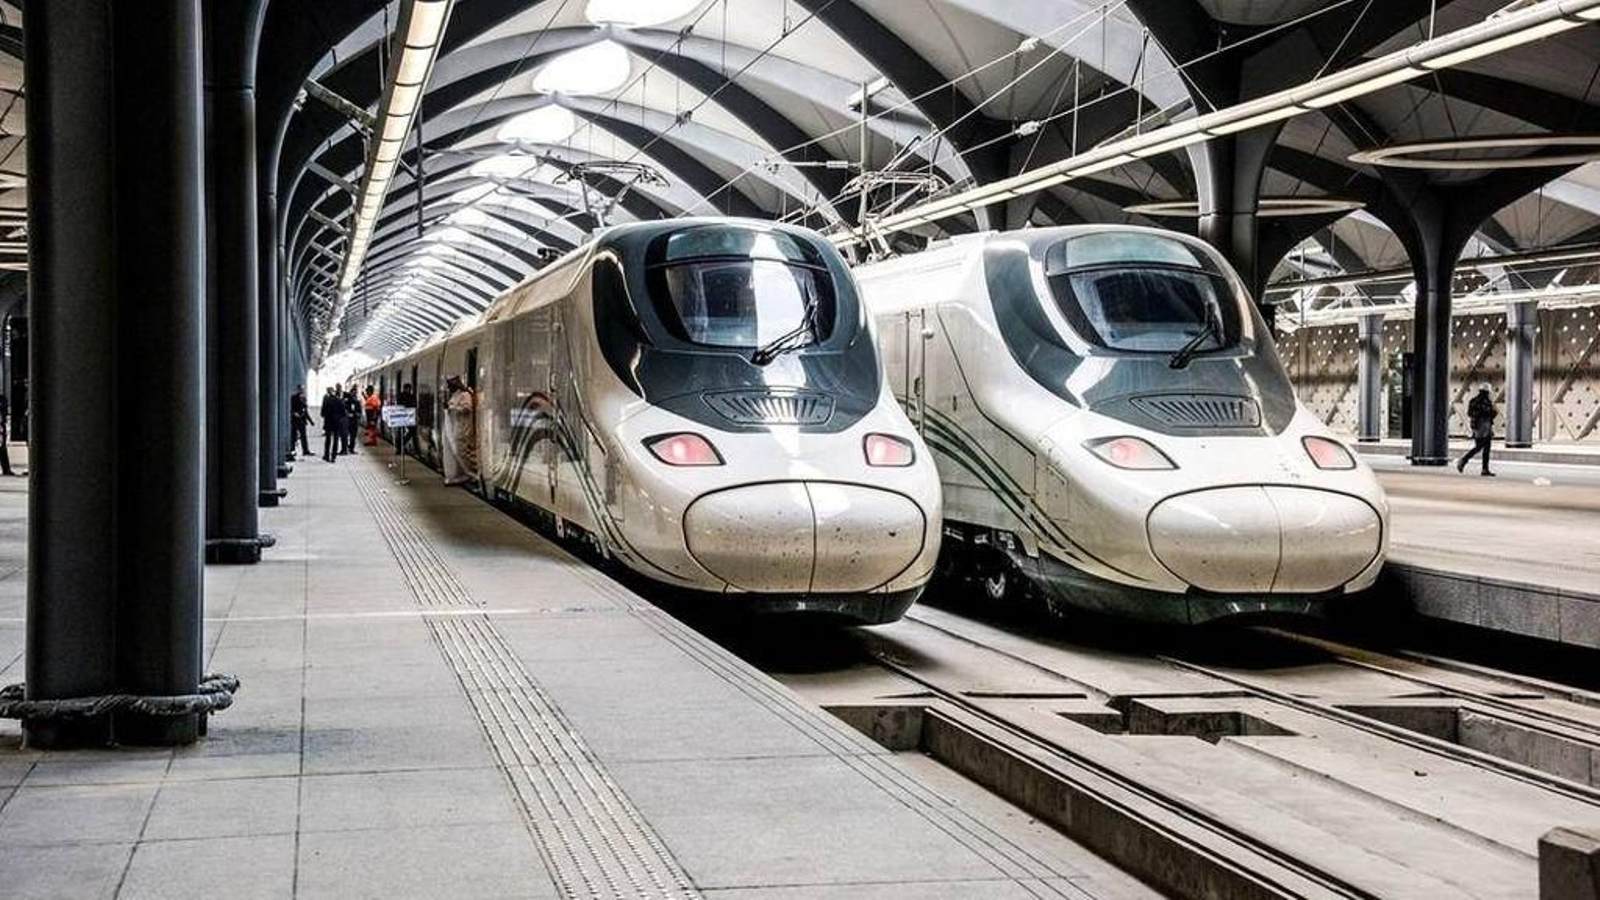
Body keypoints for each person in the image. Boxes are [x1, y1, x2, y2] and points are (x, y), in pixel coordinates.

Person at [441, 374, 478, 487]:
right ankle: (459, 475)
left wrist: (452, 408)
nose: (449, 388)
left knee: (463, 453)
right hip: (455, 428)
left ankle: (473, 475)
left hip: (464, 428)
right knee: (457, 452)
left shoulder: (465, 395)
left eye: (450, 385)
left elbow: (467, 408)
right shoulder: (455, 396)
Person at [1457, 383, 1497, 476]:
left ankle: (1484, 469)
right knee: (1482, 447)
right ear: (1487, 392)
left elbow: (1469, 413)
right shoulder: (1486, 402)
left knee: (1483, 447)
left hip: (1477, 427)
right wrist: (1488, 413)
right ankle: (1464, 460)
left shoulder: (1473, 400)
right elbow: (1492, 413)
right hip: (1484, 427)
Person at [320, 386, 346, 463]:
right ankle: (333, 456)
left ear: (328, 392)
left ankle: (326, 455)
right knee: (336, 439)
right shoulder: (339, 400)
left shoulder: (326, 401)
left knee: (328, 439)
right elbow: (343, 413)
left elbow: (322, 413)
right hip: (337, 423)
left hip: (328, 423)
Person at [290, 385, 312, 458]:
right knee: (293, 435)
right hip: (295, 420)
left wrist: (310, 421)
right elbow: (291, 408)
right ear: (298, 389)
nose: (302, 390)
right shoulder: (294, 398)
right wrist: (294, 413)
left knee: (303, 435)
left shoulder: (304, 398)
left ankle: (305, 450)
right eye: (301, 389)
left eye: (303, 389)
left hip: (302, 419)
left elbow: (305, 410)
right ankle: (292, 449)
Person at [395, 382, 417, 457]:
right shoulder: (410, 396)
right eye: (409, 389)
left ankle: (399, 447)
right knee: (412, 431)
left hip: (400, 417)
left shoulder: (399, 396)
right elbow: (414, 405)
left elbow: (398, 404)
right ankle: (401, 444)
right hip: (408, 417)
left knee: (401, 432)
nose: (410, 390)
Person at [0, 390, 17, 476]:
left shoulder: (2, 400)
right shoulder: (2, 400)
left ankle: (6, 468)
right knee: (2, 448)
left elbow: (4, 414)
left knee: (2, 448)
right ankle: (6, 469)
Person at [342, 385, 362, 455]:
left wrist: (357, 415)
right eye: (353, 393)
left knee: (353, 435)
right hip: (348, 421)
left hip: (354, 421)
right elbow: (344, 410)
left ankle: (351, 448)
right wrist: (348, 414)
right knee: (346, 435)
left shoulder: (357, 401)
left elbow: (360, 411)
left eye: (355, 393)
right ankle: (346, 447)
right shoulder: (346, 401)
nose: (354, 394)